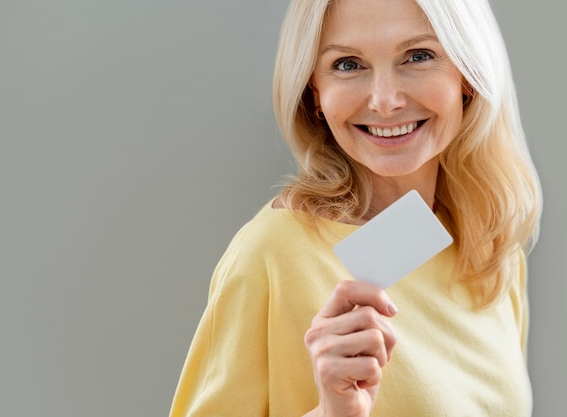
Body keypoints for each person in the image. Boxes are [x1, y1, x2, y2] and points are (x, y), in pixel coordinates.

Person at [169, 0, 542, 415]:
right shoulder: (272, 253)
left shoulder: (487, 242)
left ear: (467, 75)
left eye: (419, 56)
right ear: (315, 92)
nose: (385, 101)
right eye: (348, 64)